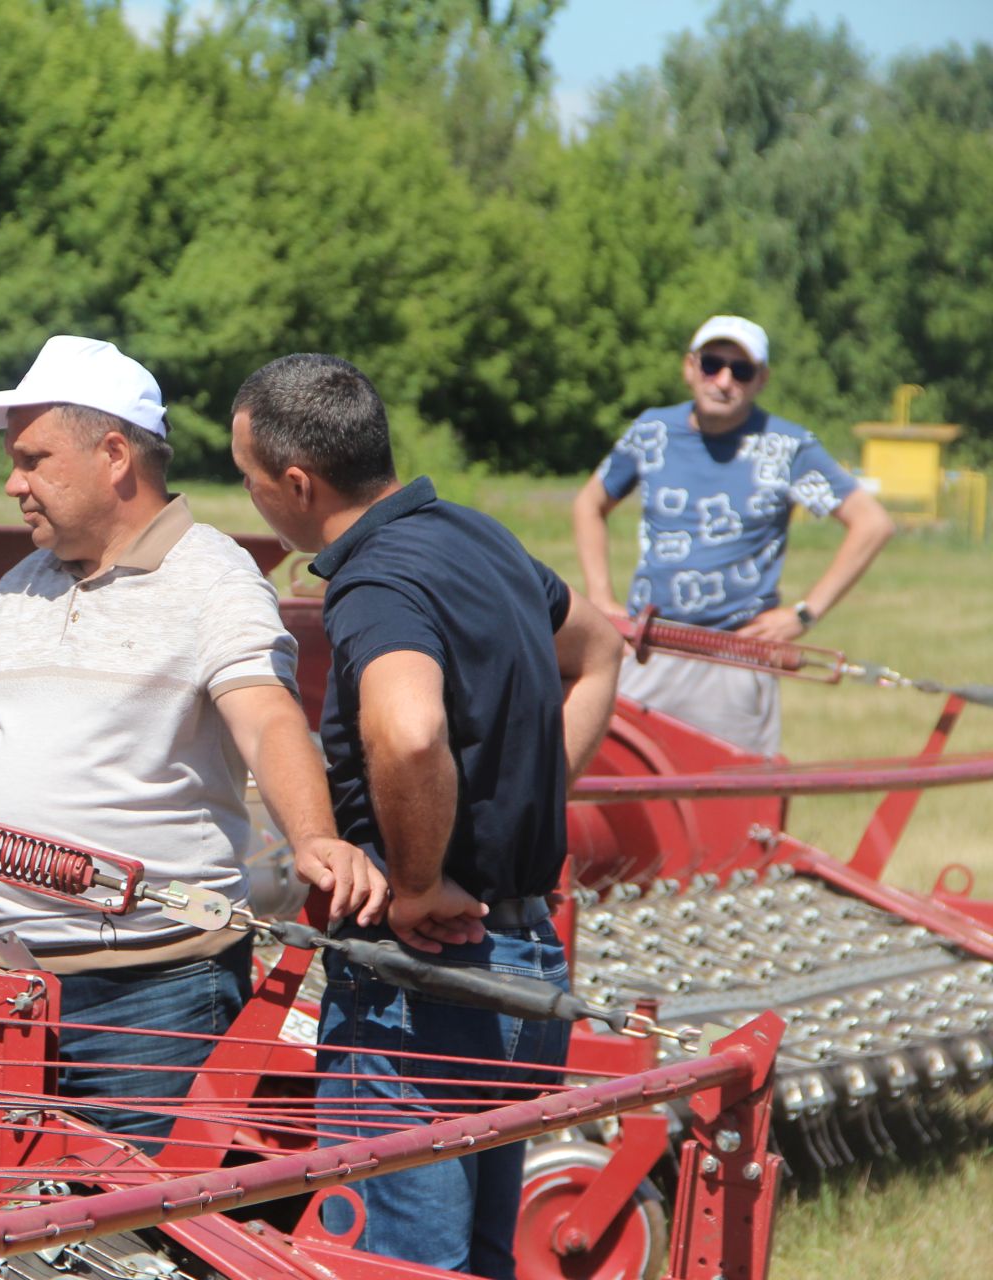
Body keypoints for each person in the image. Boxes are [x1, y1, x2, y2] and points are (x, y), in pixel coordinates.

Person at [0, 336, 384, 1145]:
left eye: (33, 459)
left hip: (150, 994)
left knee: (134, 1234)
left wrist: (316, 838)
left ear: (112, 456)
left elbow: (268, 714)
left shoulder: (214, 578)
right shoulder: (20, 583)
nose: (13, 483)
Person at [229, 353, 624, 1279]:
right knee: (480, 1258)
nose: (250, 498)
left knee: (400, 1264)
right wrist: (529, 790)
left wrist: (416, 882)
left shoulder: (375, 583)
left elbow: (408, 736)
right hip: (530, 959)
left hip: (426, 979)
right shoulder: (481, 539)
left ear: (297, 482)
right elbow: (600, 648)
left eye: (249, 480)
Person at [572, 315, 893, 755]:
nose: (724, 381)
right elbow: (589, 503)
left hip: (734, 657)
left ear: (761, 379)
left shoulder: (786, 446)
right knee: (625, 793)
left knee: (727, 803)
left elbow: (872, 523)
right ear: (690, 368)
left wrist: (803, 615)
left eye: (741, 370)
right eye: (712, 365)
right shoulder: (653, 431)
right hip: (647, 648)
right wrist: (603, 599)